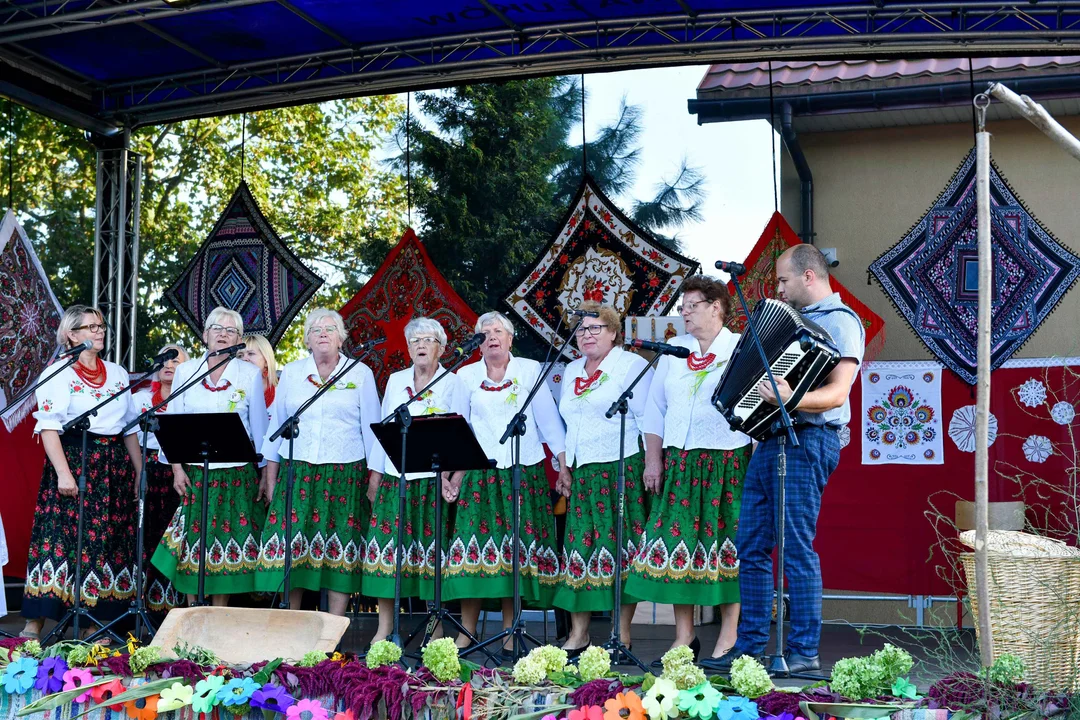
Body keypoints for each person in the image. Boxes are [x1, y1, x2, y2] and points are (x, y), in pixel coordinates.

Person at [720, 244, 864, 674]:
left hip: (809, 439)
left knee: (796, 546)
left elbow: (838, 393)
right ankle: (749, 649)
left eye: (783, 280)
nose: (778, 289)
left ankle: (803, 652)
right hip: (770, 440)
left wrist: (791, 396)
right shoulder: (790, 321)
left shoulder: (841, 321)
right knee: (751, 547)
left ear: (808, 276)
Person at [624, 276, 752, 667]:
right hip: (679, 462)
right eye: (683, 307)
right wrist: (652, 458)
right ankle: (685, 635)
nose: (684, 312)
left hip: (727, 460)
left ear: (717, 307)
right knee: (679, 544)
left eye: (692, 305)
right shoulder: (673, 352)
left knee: (725, 546)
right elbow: (654, 409)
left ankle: (729, 632)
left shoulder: (741, 348)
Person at [443, 311, 566, 651]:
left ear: (511, 339)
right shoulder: (464, 376)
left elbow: (549, 423)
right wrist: (449, 476)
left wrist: (564, 465)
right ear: (478, 343)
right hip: (478, 476)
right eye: (485, 333)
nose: (492, 336)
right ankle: (467, 631)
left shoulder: (529, 370)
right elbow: (458, 429)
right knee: (473, 554)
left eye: (499, 331)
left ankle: (512, 632)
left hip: (521, 472)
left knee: (515, 554)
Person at [22, 305, 143, 640]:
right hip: (74, 457)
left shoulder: (118, 373)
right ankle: (35, 623)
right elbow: (48, 427)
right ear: (71, 335)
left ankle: (94, 624)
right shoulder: (57, 372)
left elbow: (128, 428)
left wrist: (139, 471)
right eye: (90, 327)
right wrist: (63, 473)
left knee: (105, 542)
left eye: (101, 326)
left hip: (112, 465)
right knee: (59, 539)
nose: (99, 331)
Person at [254, 308, 380, 615]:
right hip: (298, 471)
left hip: (345, 471)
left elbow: (374, 432)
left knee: (339, 547)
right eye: (315, 329)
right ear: (308, 340)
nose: (322, 333)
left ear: (341, 338)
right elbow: (276, 428)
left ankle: (331, 632)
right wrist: (270, 478)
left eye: (330, 328)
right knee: (292, 549)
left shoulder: (359, 374)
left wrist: (375, 480)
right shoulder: (294, 373)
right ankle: (291, 626)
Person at [553, 301, 653, 657]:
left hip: (621, 466)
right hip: (582, 472)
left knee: (622, 549)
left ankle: (620, 634)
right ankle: (579, 635)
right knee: (579, 551)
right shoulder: (570, 369)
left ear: (614, 332)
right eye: (581, 329)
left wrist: (649, 464)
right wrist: (564, 466)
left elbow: (646, 419)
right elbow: (568, 424)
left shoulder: (631, 366)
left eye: (595, 328)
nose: (586, 335)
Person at [151, 306, 268, 606]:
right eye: (217, 328)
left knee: (225, 543)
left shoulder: (249, 373)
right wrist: (177, 469)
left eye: (231, 331)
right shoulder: (187, 372)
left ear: (239, 339)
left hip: (235, 471)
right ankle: (192, 609)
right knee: (192, 542)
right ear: (205, 335)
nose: (223, 334)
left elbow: (260, 429)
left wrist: (266, 475)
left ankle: (218, 612)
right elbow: (172, 423)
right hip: (195, 471)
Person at [363, 317, 468, 642]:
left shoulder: (454, 383)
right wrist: (375, 476)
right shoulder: (395, 381)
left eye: (428, 340)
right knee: (386, 552)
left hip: (432, 482)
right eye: (415, 341)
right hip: (397, 478)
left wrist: (451, 478)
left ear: (441, 347)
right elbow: (384, 429)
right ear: (408, 348)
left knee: (430, 555)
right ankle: (385, 628)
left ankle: (435, 631)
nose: (421, 346)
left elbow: (462, 435)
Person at [128, 344, 189, 615]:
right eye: (164, 359)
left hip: (181, 470)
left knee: (175, 538)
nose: (169, 365)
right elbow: (129, 435)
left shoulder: (192, 397)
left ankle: (173, 609)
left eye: (177, 361)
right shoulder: (140, 398)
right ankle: (141, 607)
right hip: (148, 468)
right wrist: (139, 470)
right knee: (145, 536)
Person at [240, 334, 278, 409]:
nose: (244, 358)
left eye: (250, 353)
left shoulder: (281, 393)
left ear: (266, 361)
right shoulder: (229, 391)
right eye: (240, 355)